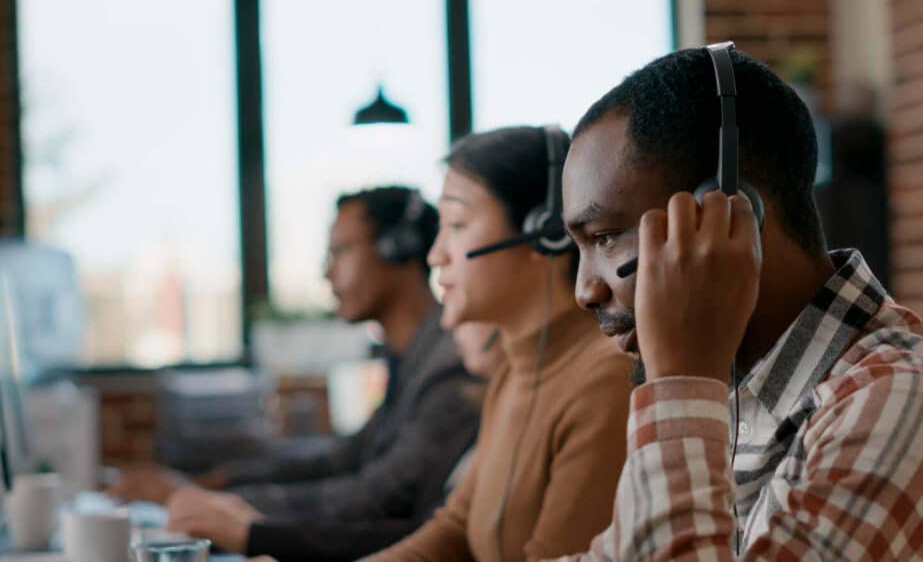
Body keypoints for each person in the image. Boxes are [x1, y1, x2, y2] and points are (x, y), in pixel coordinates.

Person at [556, 45, 923, 560]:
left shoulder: (911, 403)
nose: (585, 290)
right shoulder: (737, 399)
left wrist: (680, 383)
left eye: (604, 237)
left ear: (731, 212)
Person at [113, 186, 481, 554]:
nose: (327, 272)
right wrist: (215, 485)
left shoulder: (451, 365)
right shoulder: (410, 358)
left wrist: (230, 514)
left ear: (395, 248)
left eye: (340, 251)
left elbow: (377, 496)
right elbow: (342, 459)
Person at [368, 126, 633, 561]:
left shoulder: (605, 382)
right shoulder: (512, 370)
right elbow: (454, 530)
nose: (436, 256)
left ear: (543, 232)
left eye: (456, 225)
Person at [211, 323, 502, 562]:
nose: (448, 324)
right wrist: (232, 491)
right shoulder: (488, 396)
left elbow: (383, 502)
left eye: (340, 251)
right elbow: (441, 533)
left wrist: (256, 533)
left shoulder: (449, 375)